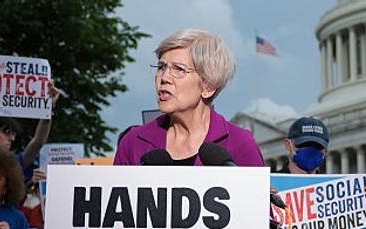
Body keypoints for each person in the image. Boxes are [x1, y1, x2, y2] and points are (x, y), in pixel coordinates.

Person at [113, 28, 264, 166]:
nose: (164, 77)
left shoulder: (240, 143)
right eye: (161, 67)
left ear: (208, 86)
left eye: (179, 69)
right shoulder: (133, 142)